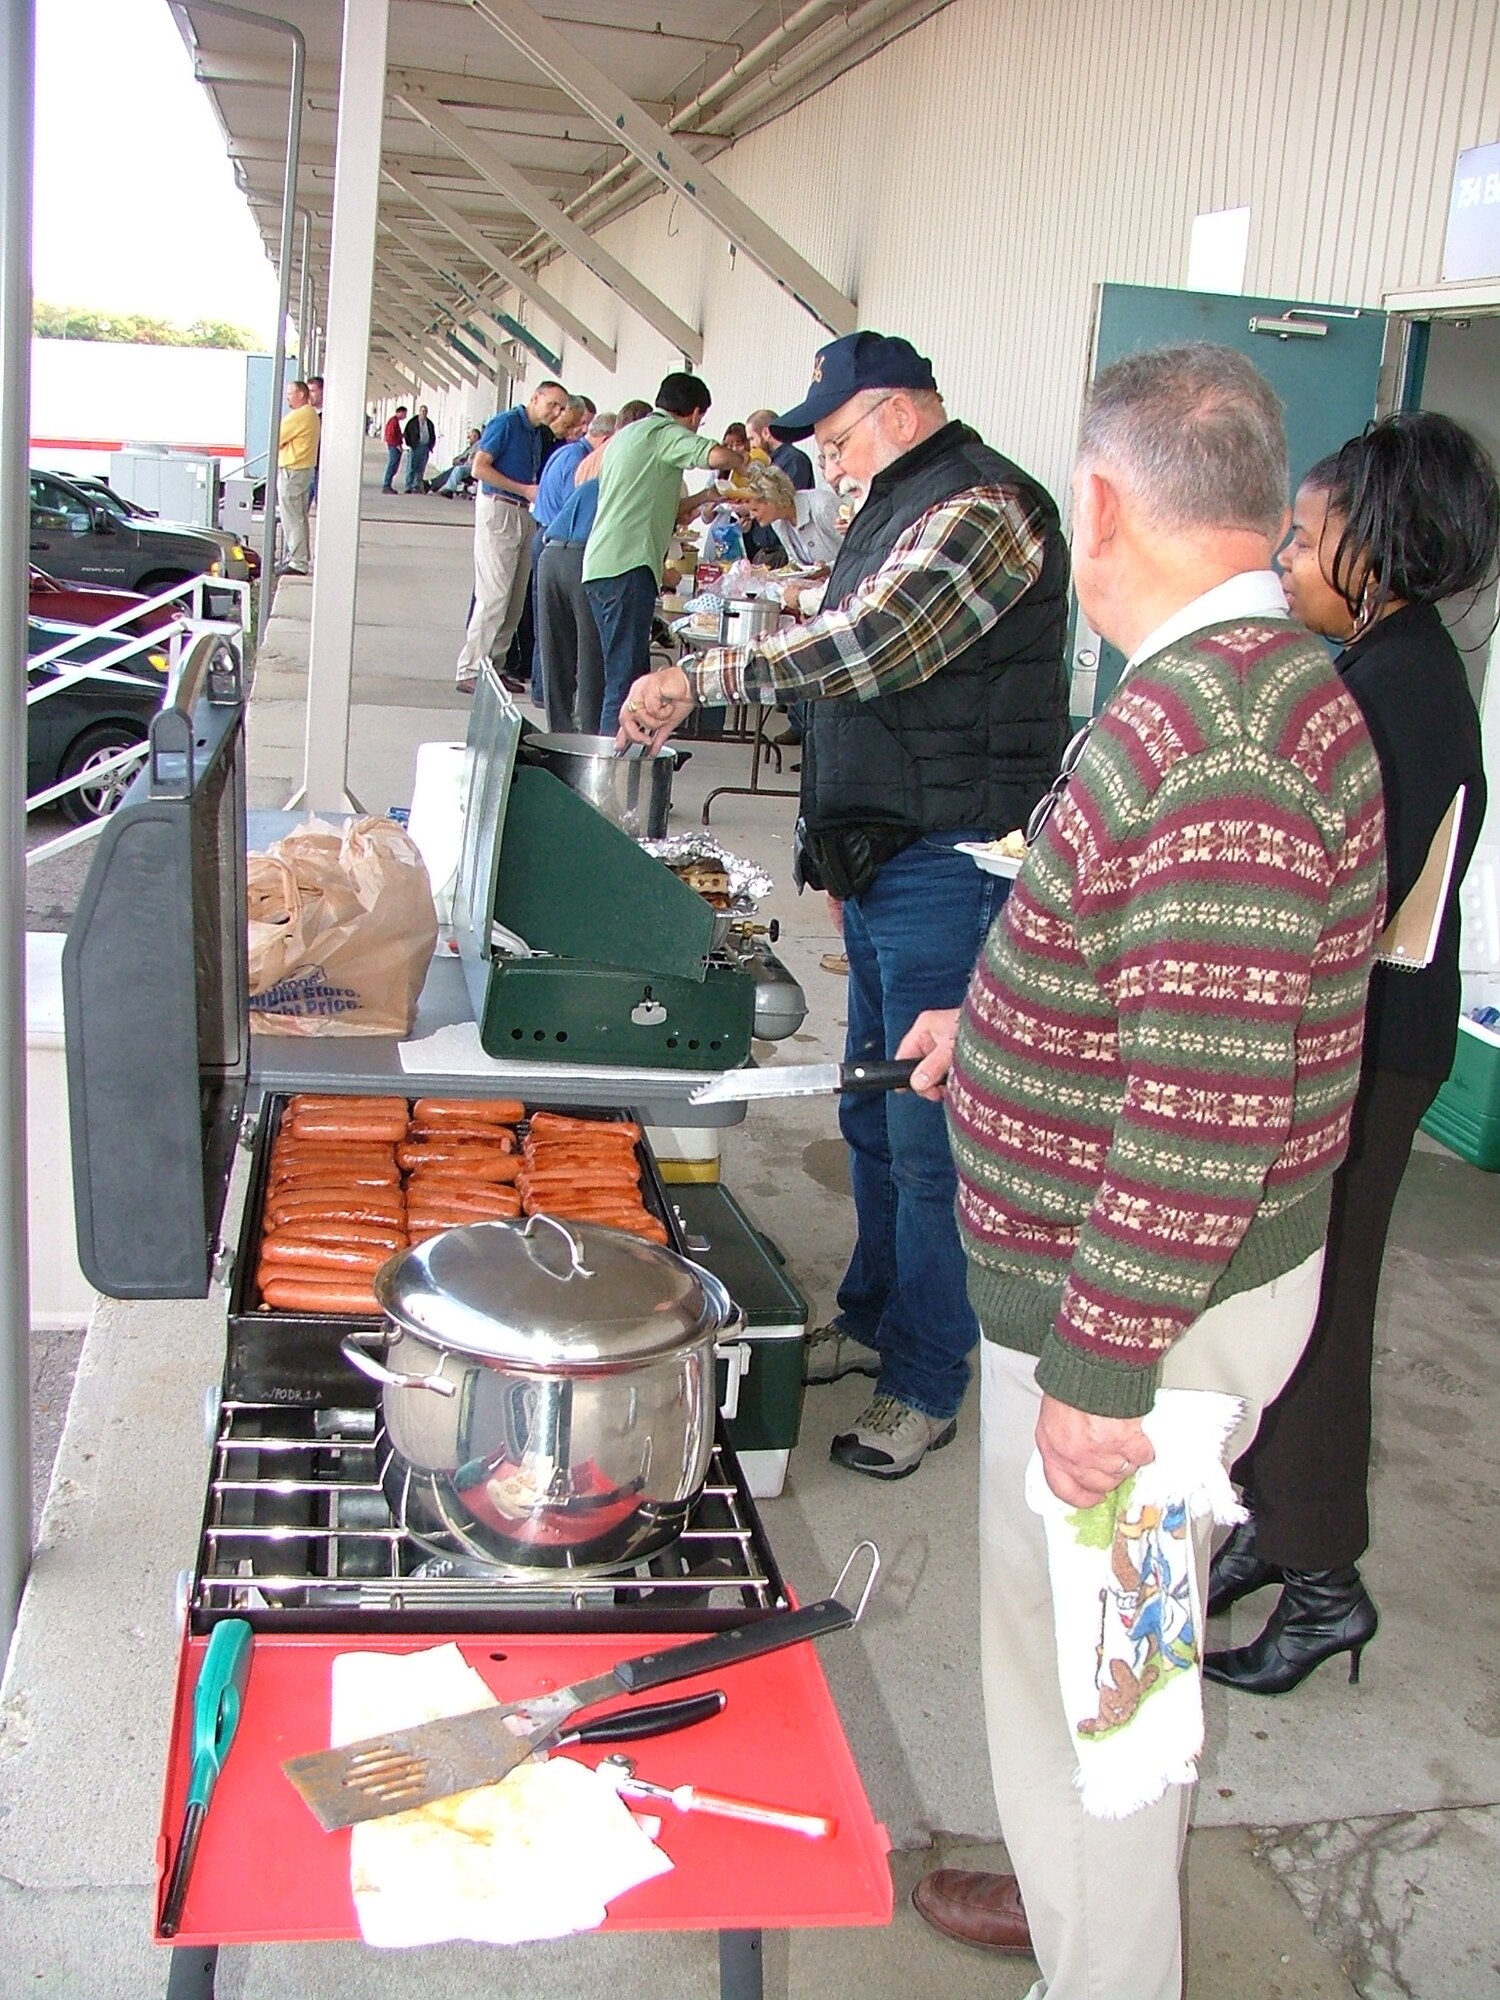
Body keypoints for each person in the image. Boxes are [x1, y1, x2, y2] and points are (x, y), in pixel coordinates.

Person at [898, 344, 1386, 1998]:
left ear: (1100, 503)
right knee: (1090, 1680)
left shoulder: (1225, 731)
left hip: (1139, 1339)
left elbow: (1208, 1104)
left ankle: (1106, 1975)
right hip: (1142, 1311)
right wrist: (1012, 1021)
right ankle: (1085, 1940)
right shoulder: (1225, 687)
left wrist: (1102, 1372)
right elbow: (1182, 988)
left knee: (1109, 1703)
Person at [618, 330, 1070, 1477]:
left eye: (841, 435)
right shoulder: (901, 500)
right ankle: (875, 1320)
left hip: (952, 859)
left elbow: (867, 648)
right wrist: (829, 853)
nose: (836, 458)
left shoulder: (983, 511)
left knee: (930, 1137)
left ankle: (926, 1376)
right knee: (869, 1117)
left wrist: (701, 676)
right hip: (885, 855)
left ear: (902, 411)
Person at [1204, 411, 1496, 1696]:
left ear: (1376, 548)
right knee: (1287, 1300)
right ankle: (1280, 1525)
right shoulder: (1393, 665)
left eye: (1309, 536)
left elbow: (1331, 902)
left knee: (1312, 1313)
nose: (1286, 556)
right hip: (1359, 1041)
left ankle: (1326, 1583)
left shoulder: (1395, 692)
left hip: (1363, 1056)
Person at [583, 372, 744, 734]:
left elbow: (666, 510)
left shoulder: (629, 436)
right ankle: (614, 761)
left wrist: (707, 497)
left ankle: (629, 749)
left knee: (630, 670)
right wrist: (747, 464)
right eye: (700, 420)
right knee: (625, 680)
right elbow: (715, 455)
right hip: (628, 566)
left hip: (603, 564)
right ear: (694, 413)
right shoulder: (665, 433)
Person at [454, 379, 569, 693]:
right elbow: (479, 468)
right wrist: (524, 489)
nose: (556, 412)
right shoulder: (506, 423)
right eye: (552, 405)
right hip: (500, 508)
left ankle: (494, 666)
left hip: (523, 512)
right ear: (535, 398)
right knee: (494, 595)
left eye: (561, 408)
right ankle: (470, 667)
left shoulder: (535, 433)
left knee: (515, 599)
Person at [276, 378, 319, 575]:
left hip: (292, 470)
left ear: (301, 394)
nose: (287, 397)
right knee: (299, 516)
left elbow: (276, 437)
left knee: (291, 517)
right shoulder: (311, 414)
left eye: (290, 393)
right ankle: (300, 557)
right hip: (303, 469)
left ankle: (297, 561)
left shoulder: (299, 415)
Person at [437, 428, 483, 497]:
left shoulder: (479, 445)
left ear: (475, 437)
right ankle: (435, 485)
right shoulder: (471, 447)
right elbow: (463, 456)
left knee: (458, 469)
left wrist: (461, 460)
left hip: (473, 467)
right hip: (466, 465)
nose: (469, 439)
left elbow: (471, 458)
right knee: (452, 470)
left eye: (470, 437)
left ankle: (448, 489)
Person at [402, 404, 436, 492]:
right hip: (415, 446)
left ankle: (416, 485)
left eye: (425, 411)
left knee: (421, 467)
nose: (424, 413)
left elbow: (432, 435)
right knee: (411, 467)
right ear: (419, 411)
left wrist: (430, 446)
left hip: (425, 447)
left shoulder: (429, 423)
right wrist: (410, 444)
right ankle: (408, 486)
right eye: (422, 411)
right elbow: (407, 433)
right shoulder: (413, 422)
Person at [306, 375, 323, 507]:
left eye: (312, 391)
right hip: (307, 464)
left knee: (321, 503)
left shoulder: (328, 416)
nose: (309, 395)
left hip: (321, 466)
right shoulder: (306, 414)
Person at [381, 407, 406, 493]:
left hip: (394, 446)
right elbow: (391, 435)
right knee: (392, 465)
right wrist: (397, 445)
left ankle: (388, 485)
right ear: (400, 412)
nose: (405, 416)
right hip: (394, 446)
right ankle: (386, 485)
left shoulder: (395, 421)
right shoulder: (393, 422)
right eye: (404, 414)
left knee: (394, 466)